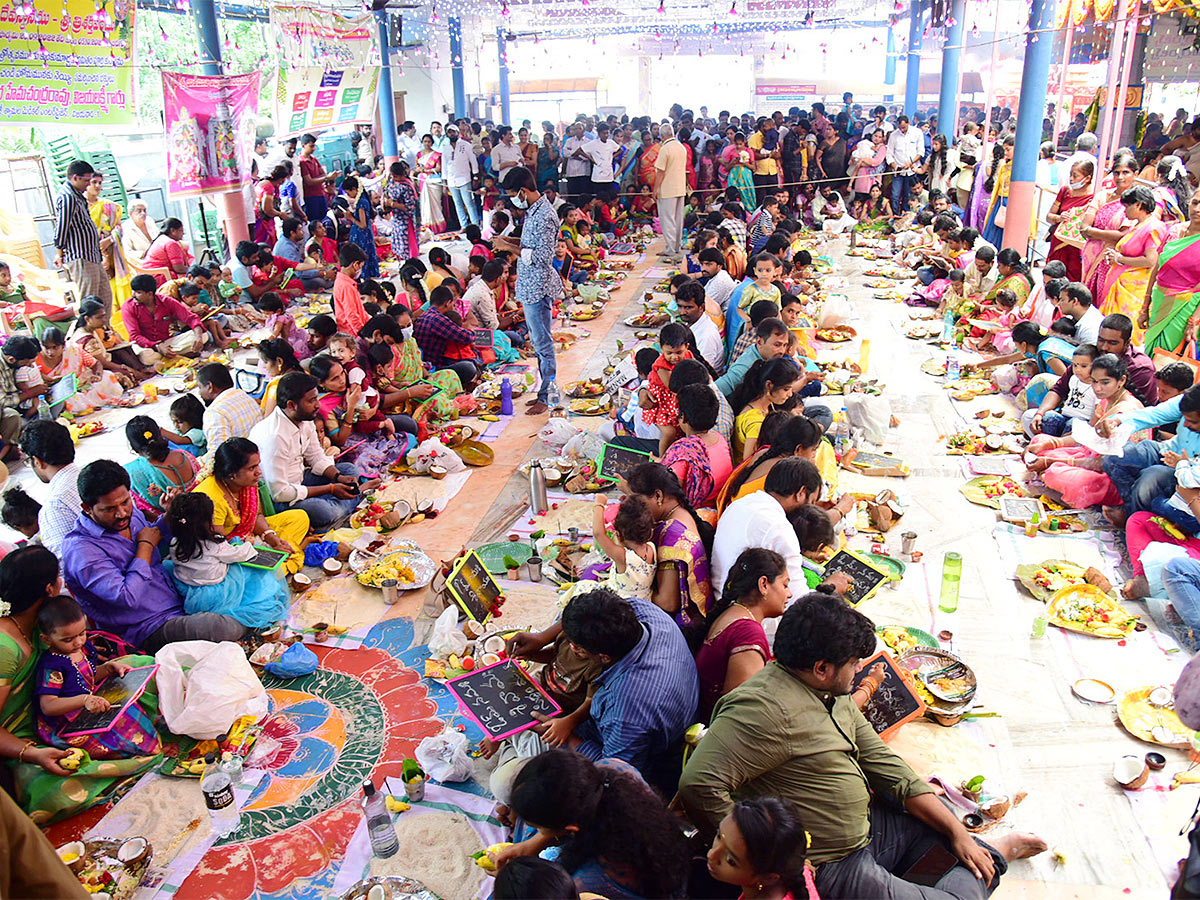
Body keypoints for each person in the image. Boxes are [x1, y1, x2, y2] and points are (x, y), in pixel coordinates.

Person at [679, 592, 1047, 897]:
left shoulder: (829, 695)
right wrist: (770, 855)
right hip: (833, 862)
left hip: (871, 829)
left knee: (956, 844)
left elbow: (889, 769)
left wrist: (955, 831)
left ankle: (983, 850)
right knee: (965, 889)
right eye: (854, 663)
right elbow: (698, 784)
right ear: (822, 667)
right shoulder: (763, 711)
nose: (859, 670)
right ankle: (998, 851)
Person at [495, 590, 698, 800]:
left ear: (603, 658)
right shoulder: (641, 611)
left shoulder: (625, 711)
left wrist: (567, 736)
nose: (571, 647)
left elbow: (612, 775)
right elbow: (575, 621)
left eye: (578, 649)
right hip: (634, 719)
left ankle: (512, 754)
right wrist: (541, 637)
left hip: (641, 762)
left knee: (503, 785)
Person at [63, 460, 248, 652]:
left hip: (175, 600)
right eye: (109, 509)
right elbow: (126, 597)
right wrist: (145, 546)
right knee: (221, 627)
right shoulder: (81, 551)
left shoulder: (131, 515)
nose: (121, 513)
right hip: (145, 629)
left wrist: (169, 515)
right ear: (86, 508)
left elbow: (156, 537)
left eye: (125, 502)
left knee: (242, 583)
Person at [503, 750, 691, 898]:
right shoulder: (613, 769)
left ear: (571, 829)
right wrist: (533, 842)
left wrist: (513, 882)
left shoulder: (589, 881)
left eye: (539, 827)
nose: (539, 832)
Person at [34, 594, 160, 759]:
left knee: (129, 711)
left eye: (82, 633)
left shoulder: (80, 649)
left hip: (91, 704)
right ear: (46, 639)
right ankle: (145, 753)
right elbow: (48, 706)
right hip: (70, 722)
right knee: (114, 738)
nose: (78, 642)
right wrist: (84, 700)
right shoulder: (52, 665)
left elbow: (87, 676)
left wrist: (108, 668)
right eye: (68, 639)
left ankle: (154, 748)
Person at [249, 372, 370, 531]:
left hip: (300, 479)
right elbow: (279, 493)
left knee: (349, 470)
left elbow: (316, 456)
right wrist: (331, 489)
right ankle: (353, 497)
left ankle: (342, 503)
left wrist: (337, 477)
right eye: (312, 400)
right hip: (282, 499)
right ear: (292, 405)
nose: (318, 405)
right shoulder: (275, 437)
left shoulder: (304, 419)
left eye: (316, 398)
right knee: (324, 511)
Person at [1026, 354, 1147, 509]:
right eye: (1094, 381)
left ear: (1121, 381)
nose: (1097, 388)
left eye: (1105, 382)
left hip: (1112, 473)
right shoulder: (1106, 400)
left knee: (1058, 474)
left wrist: (1051, 462)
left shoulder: (1126, 410)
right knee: (1039, 442)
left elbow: (1103, 464)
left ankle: (1057, 480)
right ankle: (1051, 475)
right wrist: (1050, 443)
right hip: (1090, 454)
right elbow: (1087, 436)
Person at [163, 492, 289, 630]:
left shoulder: (175, 543)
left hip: (191, 589)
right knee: (250, 569)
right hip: (217, 592)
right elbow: (240, 554)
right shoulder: (213, 545)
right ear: (206, 522)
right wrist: (248, 544)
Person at [696, 548, 789, 723]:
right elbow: (740, 714)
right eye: (785, 585)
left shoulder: (733, 613)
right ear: (764, 585)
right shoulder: (748, 633)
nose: (789, 594)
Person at [712, 456, 821, 605]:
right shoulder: (778, 528)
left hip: (723, 599)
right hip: (744, 613)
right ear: (801, 492)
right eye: (812, 502)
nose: (810, 509)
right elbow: (797, 600)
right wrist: (833, 587)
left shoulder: (743, 502)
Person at [496, 167, 561, 414]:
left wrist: (508, 247)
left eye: (514, 194)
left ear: (522, 191)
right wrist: (508, 243)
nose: (513, 199)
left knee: (543, 343)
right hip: (530, 284)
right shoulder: (533, 211)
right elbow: (528, 245)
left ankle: (549, 397)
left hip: (539, 285)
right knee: (537, 341)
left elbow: (543, 256)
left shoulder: (544, 215)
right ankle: (544, 391)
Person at [622, 462, 714, 638]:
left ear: (658, 495)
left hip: (674, 628)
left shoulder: (672, 539)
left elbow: (668, 602)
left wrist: (632, 590)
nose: (633, 506)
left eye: (636, 499)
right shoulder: (679, 513)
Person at [193, 437, 308, 575]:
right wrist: (258, 550)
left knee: (299, 517)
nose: (258, 472)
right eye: (252, 468)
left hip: (248, 534)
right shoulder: (211, 500)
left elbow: (257, 515)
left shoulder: (246, 484)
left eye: (258, 465)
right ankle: (286, 559)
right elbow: (220, 548)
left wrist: (272, 538)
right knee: (269, 570)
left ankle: (285, 554)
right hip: (229, 547)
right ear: (232, 474)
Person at [707, 797, 816, 900]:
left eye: (730, 860)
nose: (711, 855)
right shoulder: (796, 871)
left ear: (768, 878)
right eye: (719, 836)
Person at [1098, 185, 1167, 342]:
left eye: (1128, 206)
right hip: (1122, 286)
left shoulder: (1153, 227)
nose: (1125, 211)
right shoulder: (1139, 225)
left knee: (1123, 333)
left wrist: (1119, 259)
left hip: (1132, 292)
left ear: (1138, 204)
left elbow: (1151, 260)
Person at [1142, 185, 1200, 355]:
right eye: (1195, 203)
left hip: (1185, 308)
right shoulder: (1174, 231)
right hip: (1159, 301)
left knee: (1166, 355)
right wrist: (1145, 306)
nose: (1197, 209)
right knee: (1149, 348)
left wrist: (1194, 321)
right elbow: (1157, 268)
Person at [661, 383, 733, 511]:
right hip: (719, 508)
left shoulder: (682, 452)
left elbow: (666, 497)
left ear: (683, 418)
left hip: (693, 516)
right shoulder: (720, 440)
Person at [54, 160, 111, 315]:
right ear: (75, 178)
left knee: (105, 298)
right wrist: (60, 253)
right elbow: (61, 228)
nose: (88, 185)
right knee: (90, 302)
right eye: (86, 181)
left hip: (92, 255)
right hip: (81, 256)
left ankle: (106, 335)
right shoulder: (67, 197)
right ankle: (91, 336)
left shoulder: (77, 195)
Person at [1081, 149, 1138, 301]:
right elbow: (1083, 227)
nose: (1120, 177)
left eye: (1126, 172)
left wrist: (1093, 232)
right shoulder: (1103, 196)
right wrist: (1105, 235)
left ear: (1135, 174)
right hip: (1092, 256)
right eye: (1116, 173)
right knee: (1087, 297)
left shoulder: (1137, 202)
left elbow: (1123, 236)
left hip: (1114, 258)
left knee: (1106, 298)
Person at [18, 419, 79, 556]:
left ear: (37, 461)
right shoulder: (97, 475)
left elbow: (67, 568)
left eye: (28, 461)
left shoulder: (54, 507)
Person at [730, 357, 805, 462]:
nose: (790, 394)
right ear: (769, 385)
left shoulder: (767, 406)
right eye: (786, 389)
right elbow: (748, 463)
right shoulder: (755, 422)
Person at [122, 273, 205, 365]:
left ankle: (165, 357)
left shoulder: (166, 301)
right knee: (147, 357)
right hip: (145, 346)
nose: (133, 295)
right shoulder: (128, 306)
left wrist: (198, 337)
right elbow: (135, 336)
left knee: (204, 336)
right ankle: (173, 355)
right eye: (133, 291)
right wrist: (157, 346)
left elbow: (191, 318)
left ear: (150, 294)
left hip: (166, 342)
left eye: (138, 292)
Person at [124, 416, 198, 515]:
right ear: (159, 434)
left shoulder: (132, 472)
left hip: (171, 527)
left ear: (133, 445)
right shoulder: (184, 455)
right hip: (202, 514)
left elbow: (147, 514)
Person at [83, 171, 130, 313]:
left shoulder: (110, 206)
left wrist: (109, 240)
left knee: (117, 290)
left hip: (112, 253)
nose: (97, 186)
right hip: (89, 254)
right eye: (93, 182)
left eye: (100, 182)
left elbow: (119, 228)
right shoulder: (80, 207)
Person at [195, 362, 263, 459]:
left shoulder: (214, 412)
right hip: (259, 455)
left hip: (244, 464)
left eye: (200, 387)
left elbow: (217, 455)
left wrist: (196, 464)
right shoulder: (243, 395)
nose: (199, 392)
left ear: (210, 387)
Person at [1045, 159, 1095, 282]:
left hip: (1076, 247)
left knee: (1073, 279)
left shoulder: (1094, 198)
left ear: (1087, 178)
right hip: (1058, 241)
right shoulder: (1065, 191)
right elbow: (1049, 216)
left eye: (1075, 176)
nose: (1071, 179)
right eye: (1070, 175)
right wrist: (1059, 218)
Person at [656, 123, 689, 262]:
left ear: (662, 136)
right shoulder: (681, 147)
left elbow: (660, 172)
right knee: (677, 219)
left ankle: (670, 248)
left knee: (668, 219)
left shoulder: (665, 149)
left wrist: (655, 189)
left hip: (667, 188)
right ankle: (676, 246)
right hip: (680, 187)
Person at [342, 176, 380, 280]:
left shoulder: (361, 203)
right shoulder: (363, 199)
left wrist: (351, 218)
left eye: (348, 192)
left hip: (361, 235)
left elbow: (362, 224)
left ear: (354, 189)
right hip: (365, 234)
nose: (348, 195)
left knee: (361, 256)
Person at [885, 116, 925, 212]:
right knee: (895, 195)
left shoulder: (917, 133)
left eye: (904, 127)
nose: (902, 130)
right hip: (898, 172)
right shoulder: (894, 135)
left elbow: (921, 152)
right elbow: (889, 154)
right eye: (900, 128)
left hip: (912, 170)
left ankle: (907, 213)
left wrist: (910, 163)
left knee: (908, 195)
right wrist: (894, 165)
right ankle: (895, 215)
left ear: (908, 123)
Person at [140, 217, 192, 284]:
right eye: (181, 230)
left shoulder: (161, 238)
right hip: (158, 277)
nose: (183, 233)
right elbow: (179, 269)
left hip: (149, 275)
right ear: (172, 231)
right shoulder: (171, 243)